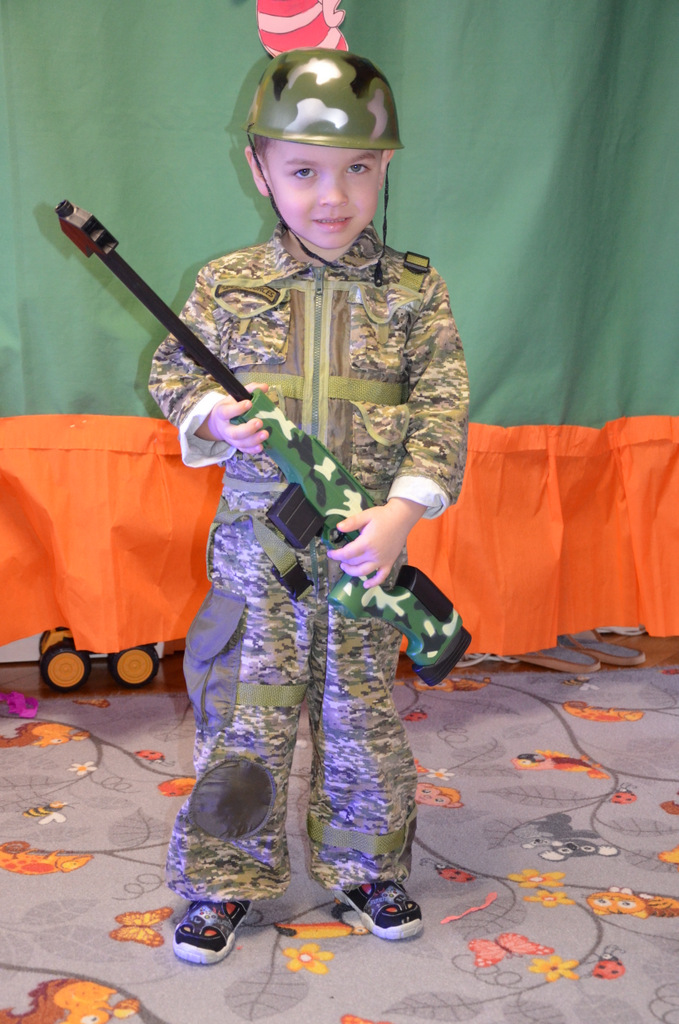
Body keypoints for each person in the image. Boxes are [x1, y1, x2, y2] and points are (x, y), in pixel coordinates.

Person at [149, 47, 469, 966]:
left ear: (385, 167)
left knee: (361, 718)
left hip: (366, 551)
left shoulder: (413, 291)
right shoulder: (226, 283)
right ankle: (224, 878)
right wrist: (216, 418)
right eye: (302, 172)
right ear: (258, 169)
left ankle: (366, 869)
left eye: (357, 169)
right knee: (243, 720)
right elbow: (173, 375)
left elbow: (441, 407)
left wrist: (401, 515)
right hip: (257, 555)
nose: (332, 197)